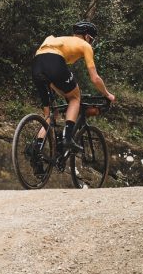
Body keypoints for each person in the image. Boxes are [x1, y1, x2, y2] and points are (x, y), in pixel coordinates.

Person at [29, 21, 115, 166]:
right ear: (87, 37)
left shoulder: (58, 40)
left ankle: (36, 151)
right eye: (92, 40)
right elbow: (95, 78)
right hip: (54, 61)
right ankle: (67, 138)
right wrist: (107, 94)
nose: (91, 43)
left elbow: (55, 80)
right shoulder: (85, 46)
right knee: (75, 97)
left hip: (37, 63)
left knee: (50, 115)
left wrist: (63, 93)